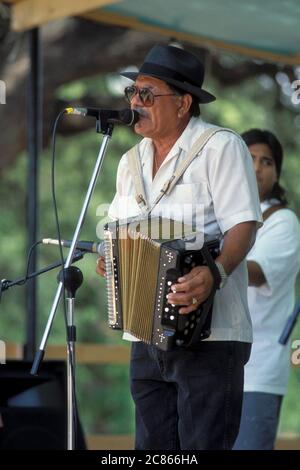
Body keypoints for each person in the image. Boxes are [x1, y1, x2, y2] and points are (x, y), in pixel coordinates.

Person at [96, 44, 262, 450]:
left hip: (211, 335)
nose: (136, 102)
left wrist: (216, 272)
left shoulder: (221, 147)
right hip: (144, 335)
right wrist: (110, 259)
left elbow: (244, 222)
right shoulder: (129, 162)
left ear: (184, 103)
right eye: (132, 94)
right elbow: (119, 231)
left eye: (147, 95)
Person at [233, 129, 300, 450]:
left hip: (256, 371)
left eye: (267, 161)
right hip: (209, 366)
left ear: (276, 174)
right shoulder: (216, 214)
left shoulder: (283, 221)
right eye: (249, 158)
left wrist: (204, 265)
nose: (257, 168)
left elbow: (256, 273)